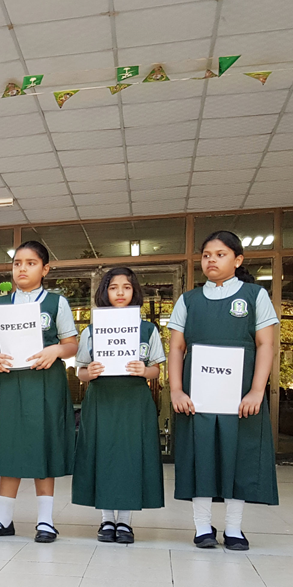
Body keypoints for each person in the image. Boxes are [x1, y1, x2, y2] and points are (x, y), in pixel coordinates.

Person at [168, 231, 279, 551]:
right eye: (206, 255)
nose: (211, 260)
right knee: (199, 457)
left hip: (240, 397)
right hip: (197, 397)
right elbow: (176, 348)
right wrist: (176, 390)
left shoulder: (255, 295)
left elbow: (266, 344)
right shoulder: (188, 300)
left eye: (220, 254)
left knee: (238, 457)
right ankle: (202, 526)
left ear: (238, 260)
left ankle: (234, 528)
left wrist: (256, 390)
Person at [0, 241, 78, 543]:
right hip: (8, 383)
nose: (22, 268)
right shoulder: (0, 305)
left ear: (45, 269)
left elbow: (72, 344)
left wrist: (56, 350)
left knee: (43, 446)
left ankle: (45, 522)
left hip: (44, 384)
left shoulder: (56, 303)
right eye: (17, 263)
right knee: (9, 446)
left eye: (31, 263)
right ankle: (3, 520)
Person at [72, 268, 165, 544]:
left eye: (126, 287)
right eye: (113, 287)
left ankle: (124, 521)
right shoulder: (91, 330)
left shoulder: (148, 329)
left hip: (134, 401)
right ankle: (106, 520)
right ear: (105, 292)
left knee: (129, 457)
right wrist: (90, 372)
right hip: (101, 400)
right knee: (101, 455)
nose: (120, 292)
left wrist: (144, 371)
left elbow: (157, 370)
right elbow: (80, 372)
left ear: (135, 291)